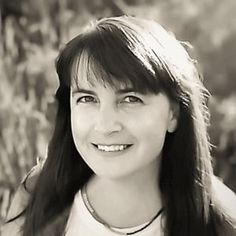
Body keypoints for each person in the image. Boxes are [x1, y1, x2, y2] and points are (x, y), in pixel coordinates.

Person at [1, 15, 236, 236]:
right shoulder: (37, 195)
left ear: (173, 114)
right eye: (87, 99)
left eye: (131, 99)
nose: (105, 126)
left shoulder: (222, 222)